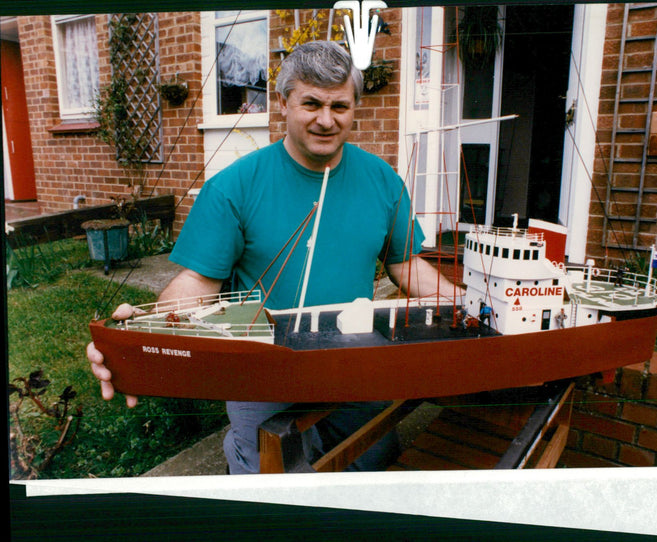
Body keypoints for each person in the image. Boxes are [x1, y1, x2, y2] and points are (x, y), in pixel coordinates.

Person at [87, 41, 457, 474]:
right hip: (262, 369)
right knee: (272, 477)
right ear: (282, 103)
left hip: (352, 359)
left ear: (355, 107)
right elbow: (199, 285)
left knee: (373, 464)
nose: (326, 119)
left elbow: (405, 264)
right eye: (311, 103)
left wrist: (472, 308)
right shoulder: (233, 186)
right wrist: (138, 340)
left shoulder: (383, 181)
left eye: (339, 106)